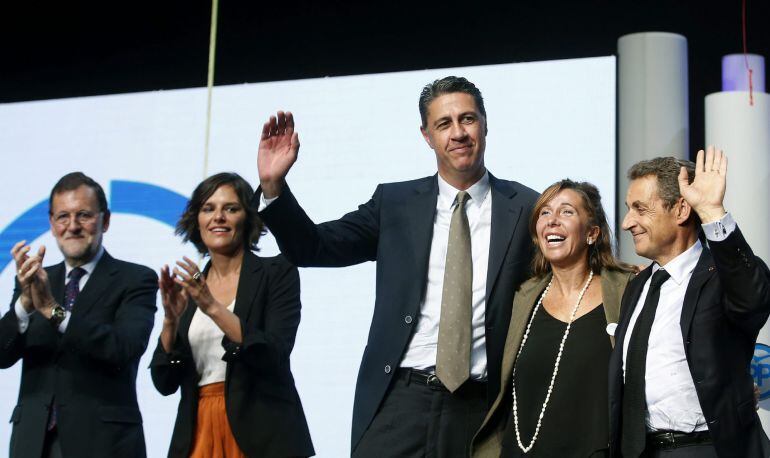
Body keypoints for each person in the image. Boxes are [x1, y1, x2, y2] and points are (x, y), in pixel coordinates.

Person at [254, 76, 539, 457]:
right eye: (444, 123)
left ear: (485, 124)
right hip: (399, 401)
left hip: (481, 409)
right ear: (426, 135)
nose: (458, 133)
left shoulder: (526, 207)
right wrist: (274, 187)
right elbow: (314, 247)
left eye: (468, 119)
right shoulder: (395, 202)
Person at [609, 148, 770, 457]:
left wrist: (712, 213)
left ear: (681, 210)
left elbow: (753, 300)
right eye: (629, 209)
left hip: (710, 449)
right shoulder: (639, 286)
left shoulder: (721, 276)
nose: (628, 222)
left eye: (640, 209)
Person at [150, 172, 314, 458]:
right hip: (198, 431)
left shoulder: (277, 272)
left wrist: (213, 308)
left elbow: (274, 354)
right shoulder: (187, 291)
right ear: (196, 220)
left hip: (262, 430)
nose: (218, 217)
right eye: (208, 209)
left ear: (248, 217)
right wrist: (169, 321)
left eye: (231, 208)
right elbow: (164, 383)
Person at [472, 179, 636, 457]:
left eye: (567, 212)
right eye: (545, 213)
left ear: (592, 233)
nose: (552, 221)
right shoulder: (523, 297)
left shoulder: (627, 290)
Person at [0, 172, 158, 458]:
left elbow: (124, 348)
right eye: (63, 217)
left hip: (104, 444)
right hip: (33, 444)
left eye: (83, 215)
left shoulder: (135, 279)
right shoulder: (36, 280)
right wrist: (24, 304)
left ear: (105, 220)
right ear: (52, 223)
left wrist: (53, 310)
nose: (72, 226)